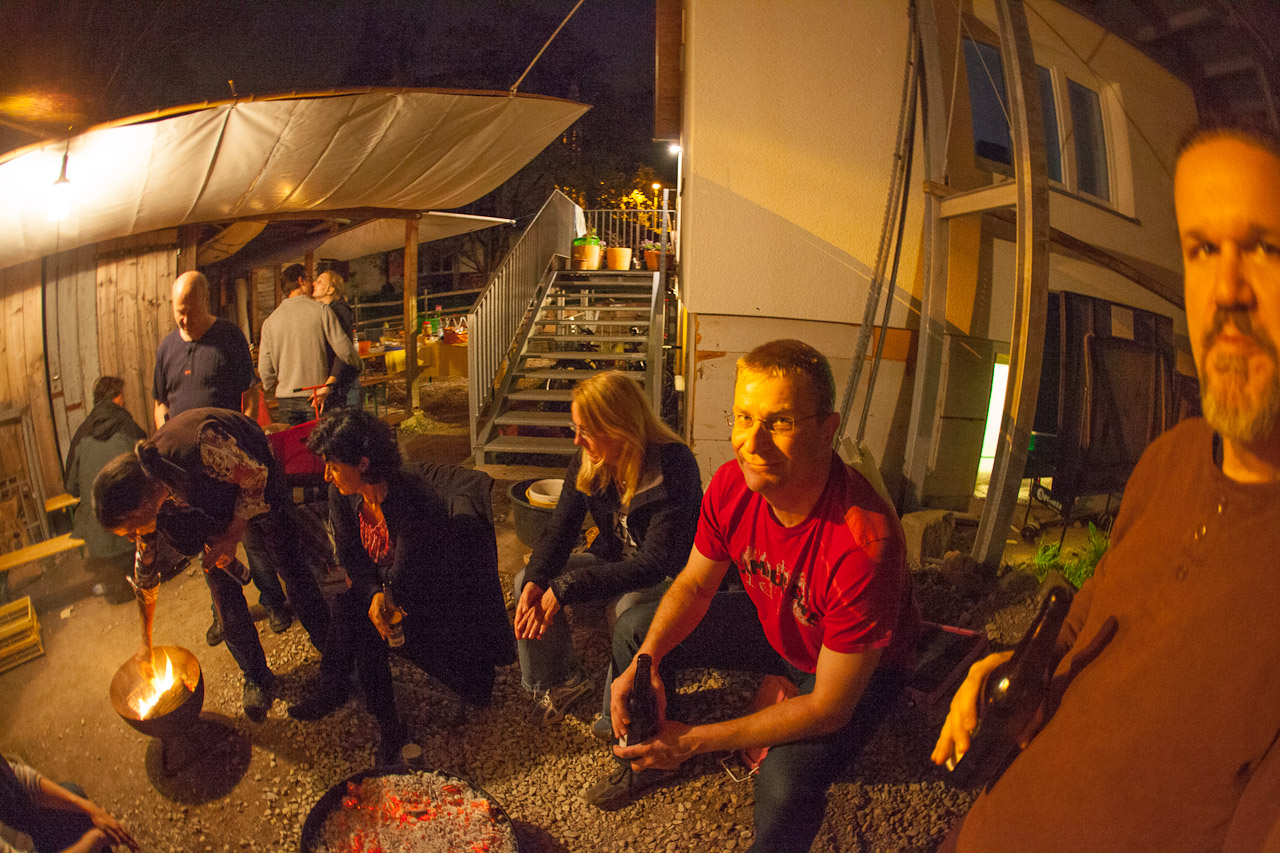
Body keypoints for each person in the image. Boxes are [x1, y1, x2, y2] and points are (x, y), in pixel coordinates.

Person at [927, 123, 1280, 850]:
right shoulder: (1173, 455)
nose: (1226, 292)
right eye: (1201, 250)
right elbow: (1092, 613)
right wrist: (1017, 667)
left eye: (1267, 248)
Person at [584, 340, 921, 853]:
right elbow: (696, 584)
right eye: (743, 417)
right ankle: (647, 757)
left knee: (783, 786)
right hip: (783, 621)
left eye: (780, 422)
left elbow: (829, 707)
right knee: (637, 630)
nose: (751, 442)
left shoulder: (863, 543)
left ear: (827, 430)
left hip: (855, 669)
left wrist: (695, 740)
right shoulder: (732, 485)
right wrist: (646, 660)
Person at [287, 408, 511, 762]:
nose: (327, 475)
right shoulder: (342, 495)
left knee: (362, 619)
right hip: (385, 588)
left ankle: (354, 701)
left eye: (333, 465)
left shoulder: (414, 498)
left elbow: (415, 571)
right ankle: (375, 715)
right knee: (354, 611)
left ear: (362, 463)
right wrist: (374, 595)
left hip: (429, 595)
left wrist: (381, 599)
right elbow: (350, 554)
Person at [92, 408, 331, 722]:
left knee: (289, 567)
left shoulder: (198, 448)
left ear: (140, 505)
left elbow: (256, 476)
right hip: (211, 508)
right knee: (224, 600)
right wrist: (145, 645)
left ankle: (333, 654)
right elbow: (146, 578)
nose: (130, 538)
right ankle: (257, 678)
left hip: (257, 481)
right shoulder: (149, 506)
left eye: (127, 530)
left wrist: (232, 536)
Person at [514, 371, 702, 725]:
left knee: (626, 607)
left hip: (672, 575)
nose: (577, 440)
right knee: (525, 578)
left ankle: (619, 710)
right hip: (616, 560)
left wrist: (567, 587)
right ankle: (560, 680)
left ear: (619, 427)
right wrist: (537, 579)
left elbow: (655, 563)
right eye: (575, 428)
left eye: (585, 430)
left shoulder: (673, 465)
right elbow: (561, 529)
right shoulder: (591, 459)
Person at [151, 270, 292, 642]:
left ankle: (273, 600)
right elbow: (160, 402)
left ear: (205, 302)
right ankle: (222, 613)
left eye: (190, 311)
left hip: (230, 458)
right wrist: (165, 435)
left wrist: (247, 435)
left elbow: (250, 391)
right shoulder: (167, 347)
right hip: (190, 468)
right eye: (178, 312)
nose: (183, 320)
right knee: (210, 541)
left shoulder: (228, 336)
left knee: (250, 533)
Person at [63, 377, 145, 604]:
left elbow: (70, 486)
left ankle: (114, 584)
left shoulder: (81, 433)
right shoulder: (129, 427)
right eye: (123, 397)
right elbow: (152, 467)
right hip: (130, 534)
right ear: (117, 398)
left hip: (97, 537)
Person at [257, 263, 360, 426]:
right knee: (320, 440)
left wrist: (271, 384)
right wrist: (358, 364)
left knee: (293, 442)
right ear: (301, 280)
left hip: (285, 398)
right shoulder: (322, 311)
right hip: (316, 396)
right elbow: (345, 350)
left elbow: (264, 368)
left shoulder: (270, 322)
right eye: (310, 279)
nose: (312, 284)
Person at [0, 753, 137, 853]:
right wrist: (92, 842)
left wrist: (92, 810)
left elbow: (22, 779)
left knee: (73, 795)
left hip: (19, 828)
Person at [310, 270, 361, 410]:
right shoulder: (322, 311)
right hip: (333, 383)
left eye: (320, 281)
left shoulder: (339, 311)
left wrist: (331, 381)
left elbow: (342, 349)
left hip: (343, 383)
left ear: (330, 290)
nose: (314, 283)